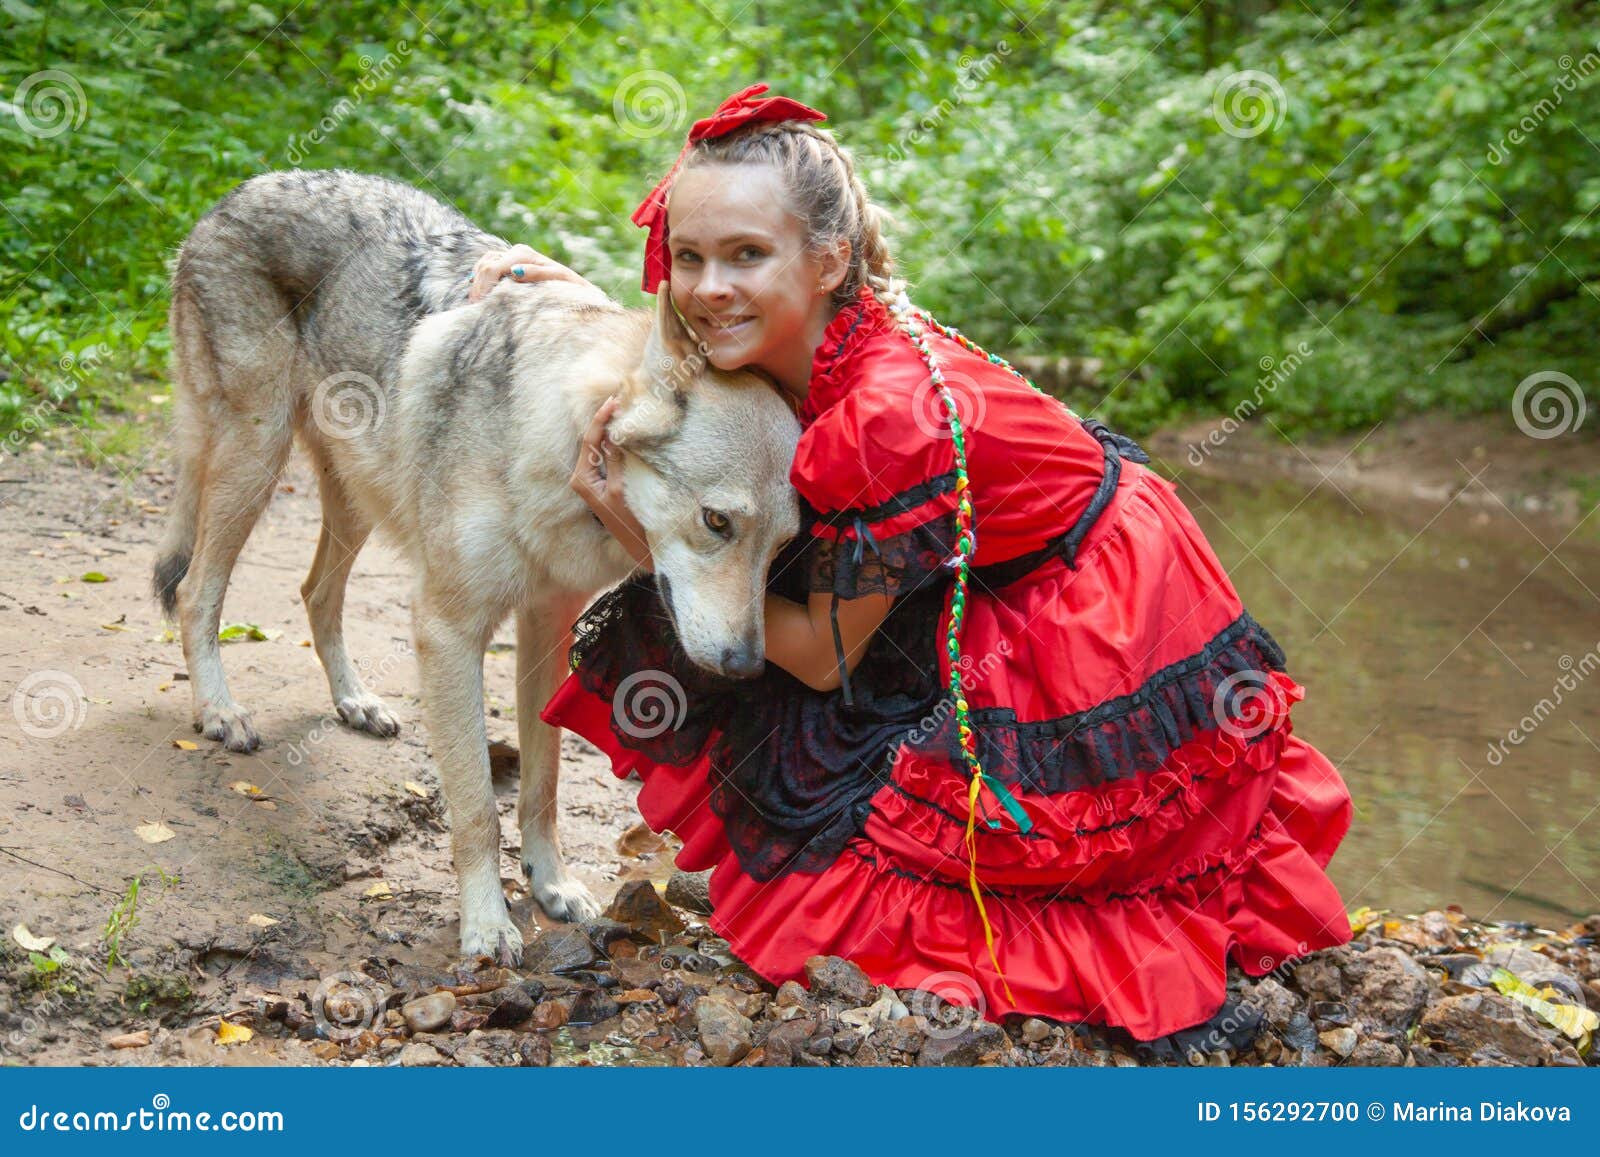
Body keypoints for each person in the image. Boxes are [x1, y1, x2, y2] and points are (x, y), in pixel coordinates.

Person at [472, 83, 1353, 1043]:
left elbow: (817, 656)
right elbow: (667, 340)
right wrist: (557, 290)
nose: (708, 286)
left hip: (1096, 601)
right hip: (987, 556)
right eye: (689, 256)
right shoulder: (788, 333)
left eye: (746, 255)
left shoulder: (885, 419)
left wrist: (637, 536)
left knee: (893, 843)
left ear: (830, 258)